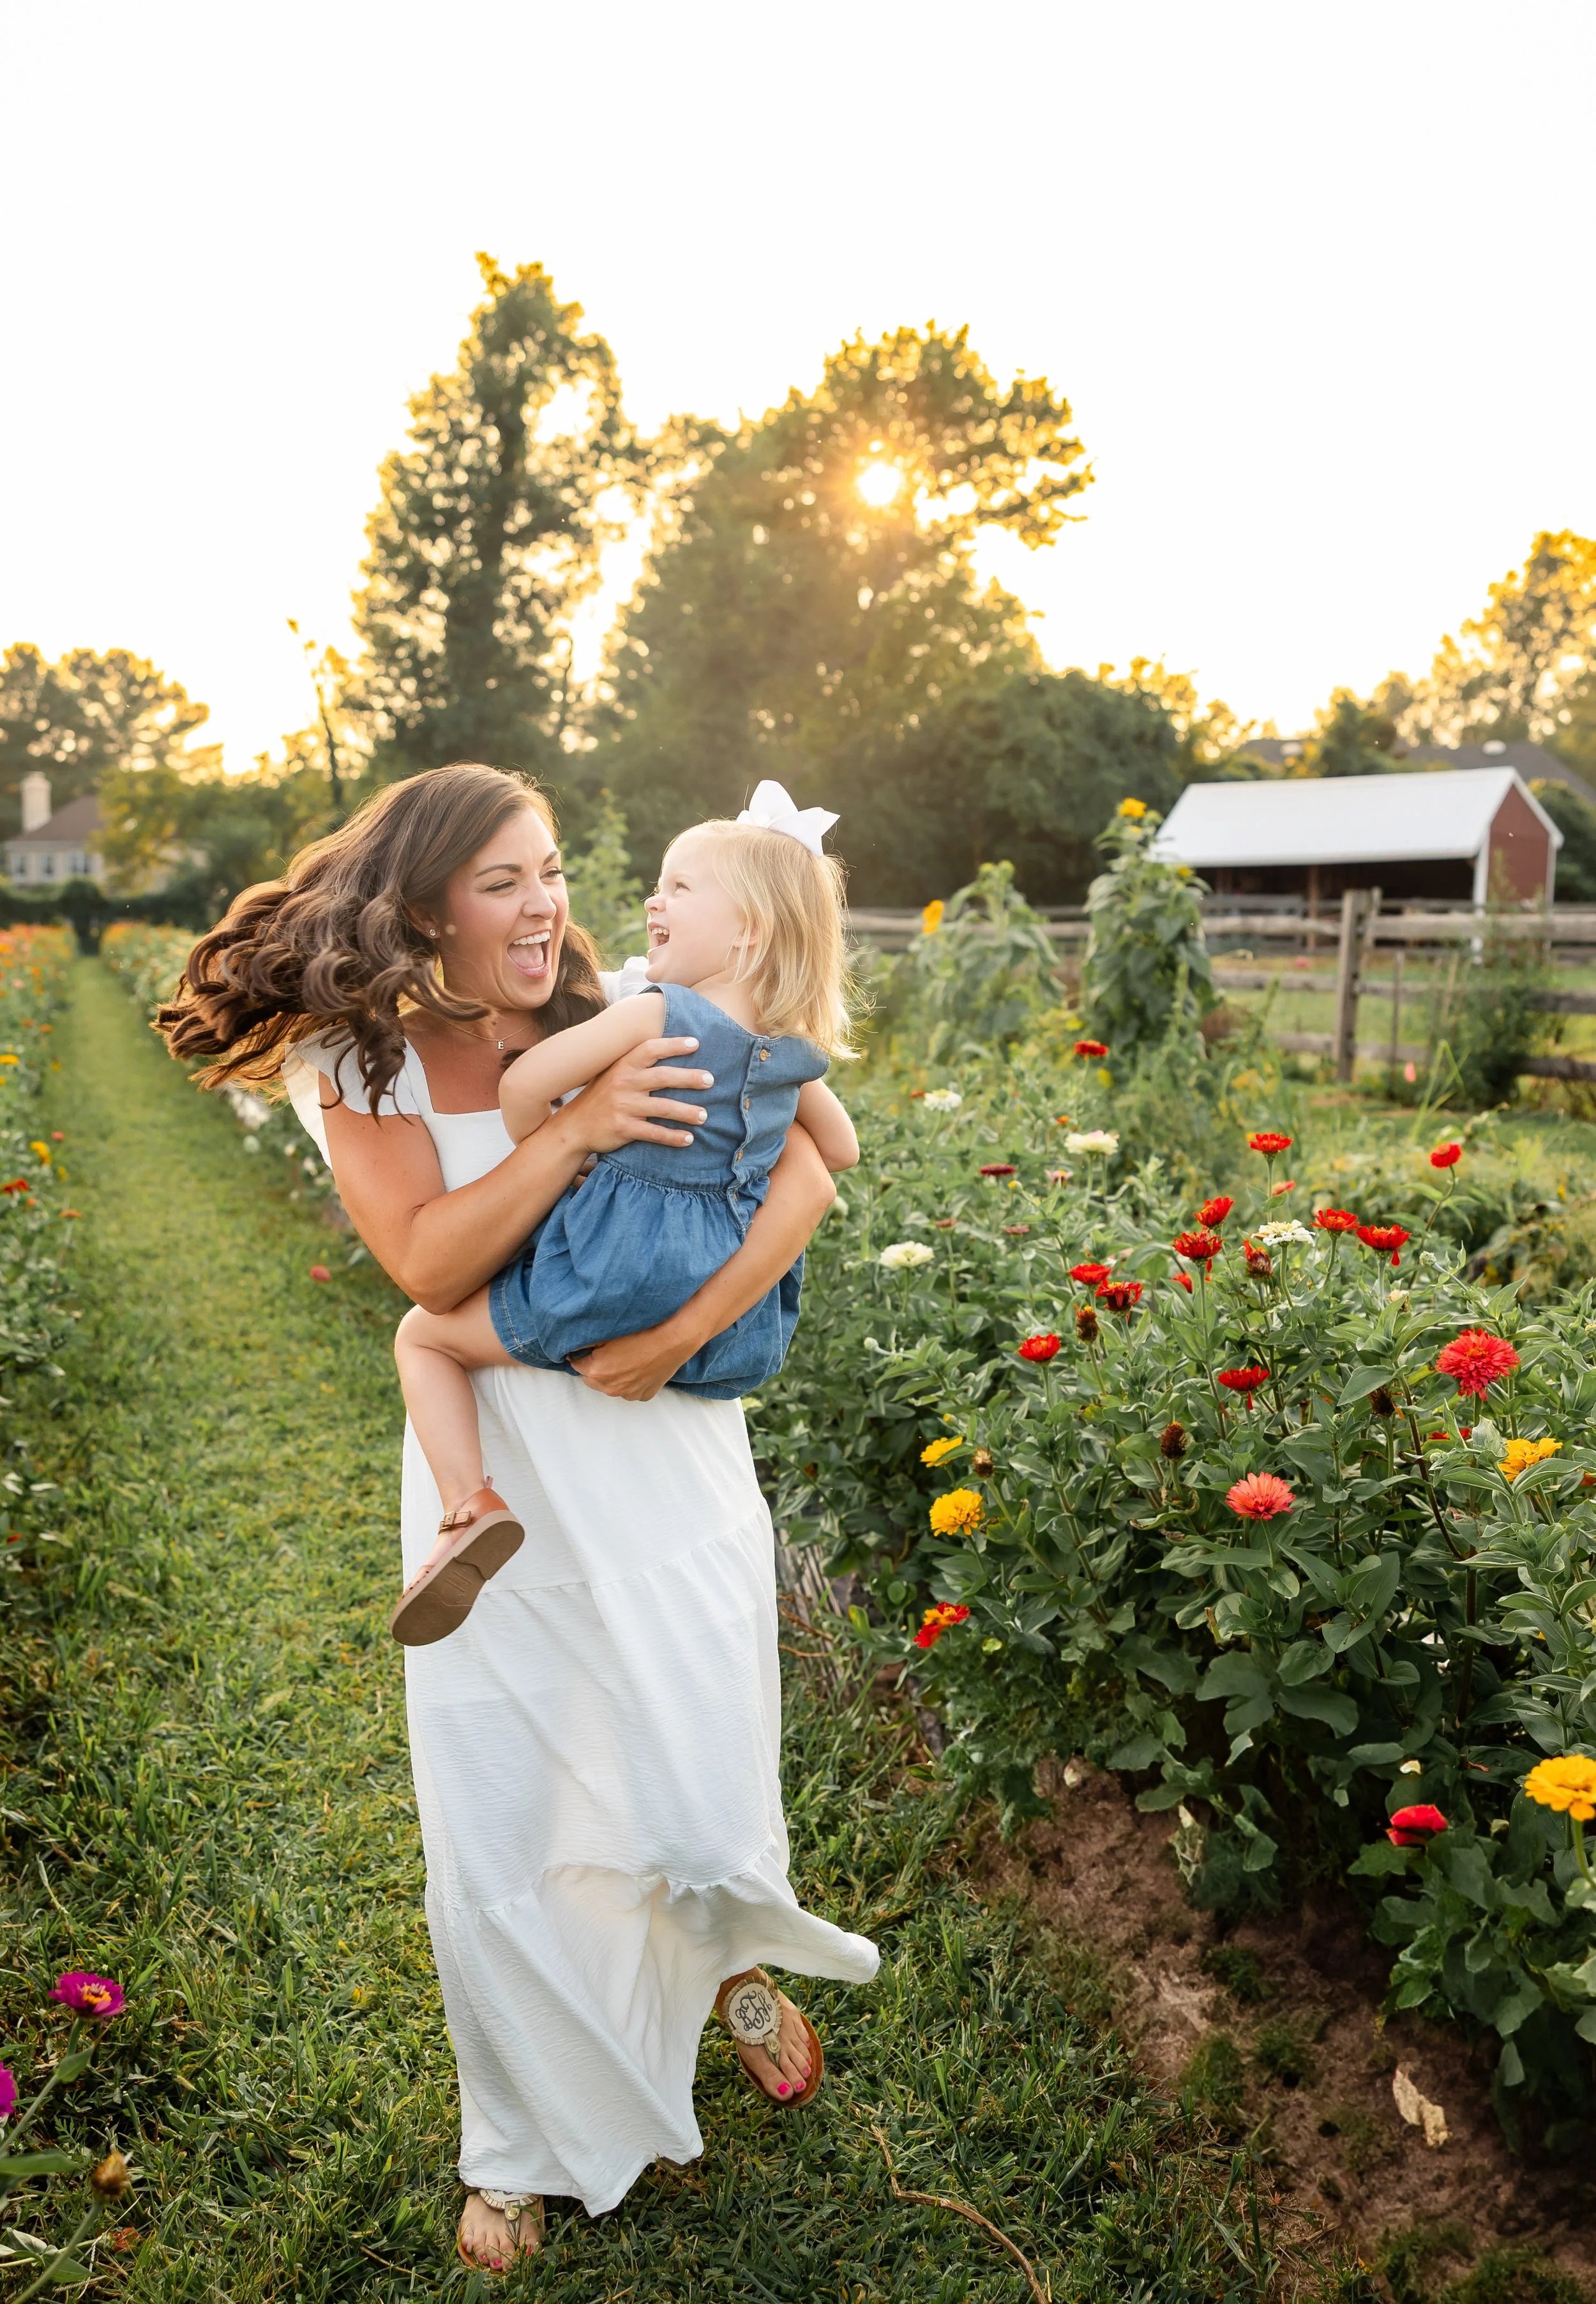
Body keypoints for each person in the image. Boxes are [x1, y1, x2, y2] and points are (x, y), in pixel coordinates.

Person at [156, 762, 878, 2273]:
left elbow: (813, 1169)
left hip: (666, 1447)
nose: (549, 903)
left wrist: (688, 1337)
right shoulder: (366, 1064)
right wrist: (573, 1130)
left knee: (687, 1758)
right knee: (513, 1803)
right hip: (503, 1480)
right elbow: (428, 1268)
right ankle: (524, 2141)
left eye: (550, 870)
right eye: (506, 881)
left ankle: (725, 1957)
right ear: (427, 905)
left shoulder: (610, 1009)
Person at [388, 795, 861, 1647]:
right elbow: (841, 1152)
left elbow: (522, 1088)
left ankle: (469, 1507)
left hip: (616, 1264)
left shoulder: (654, 1010)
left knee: (424, 1339)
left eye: (678, 887)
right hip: (715, 1287)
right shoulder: (790, 1056)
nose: (654, 902)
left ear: (745, 933)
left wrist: (561, 1137)